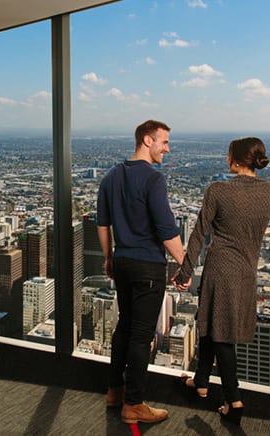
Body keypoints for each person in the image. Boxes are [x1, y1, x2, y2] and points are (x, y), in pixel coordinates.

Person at [172, 137, 270, 426]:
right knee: (212, 322)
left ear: (236, 159)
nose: (225, 158)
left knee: (220, 332)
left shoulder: (218, 190)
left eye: (228, 154)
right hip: (246, 271)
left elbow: (198, 235)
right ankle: (201, 383)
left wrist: (184, 273)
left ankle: (234, 401)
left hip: (219, 268)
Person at [97, 119, 186, 424]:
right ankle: (134, 404)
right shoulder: (153, 179)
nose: (167, 149)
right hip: (148, 264)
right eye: (164, 142)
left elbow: (103, 224)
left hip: (122, 262)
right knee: (140, 335)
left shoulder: (110, 177)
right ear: (148, 140)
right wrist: (187, 265)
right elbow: (166, 230)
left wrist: (109, 258)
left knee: (124, 327)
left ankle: (114, 391)